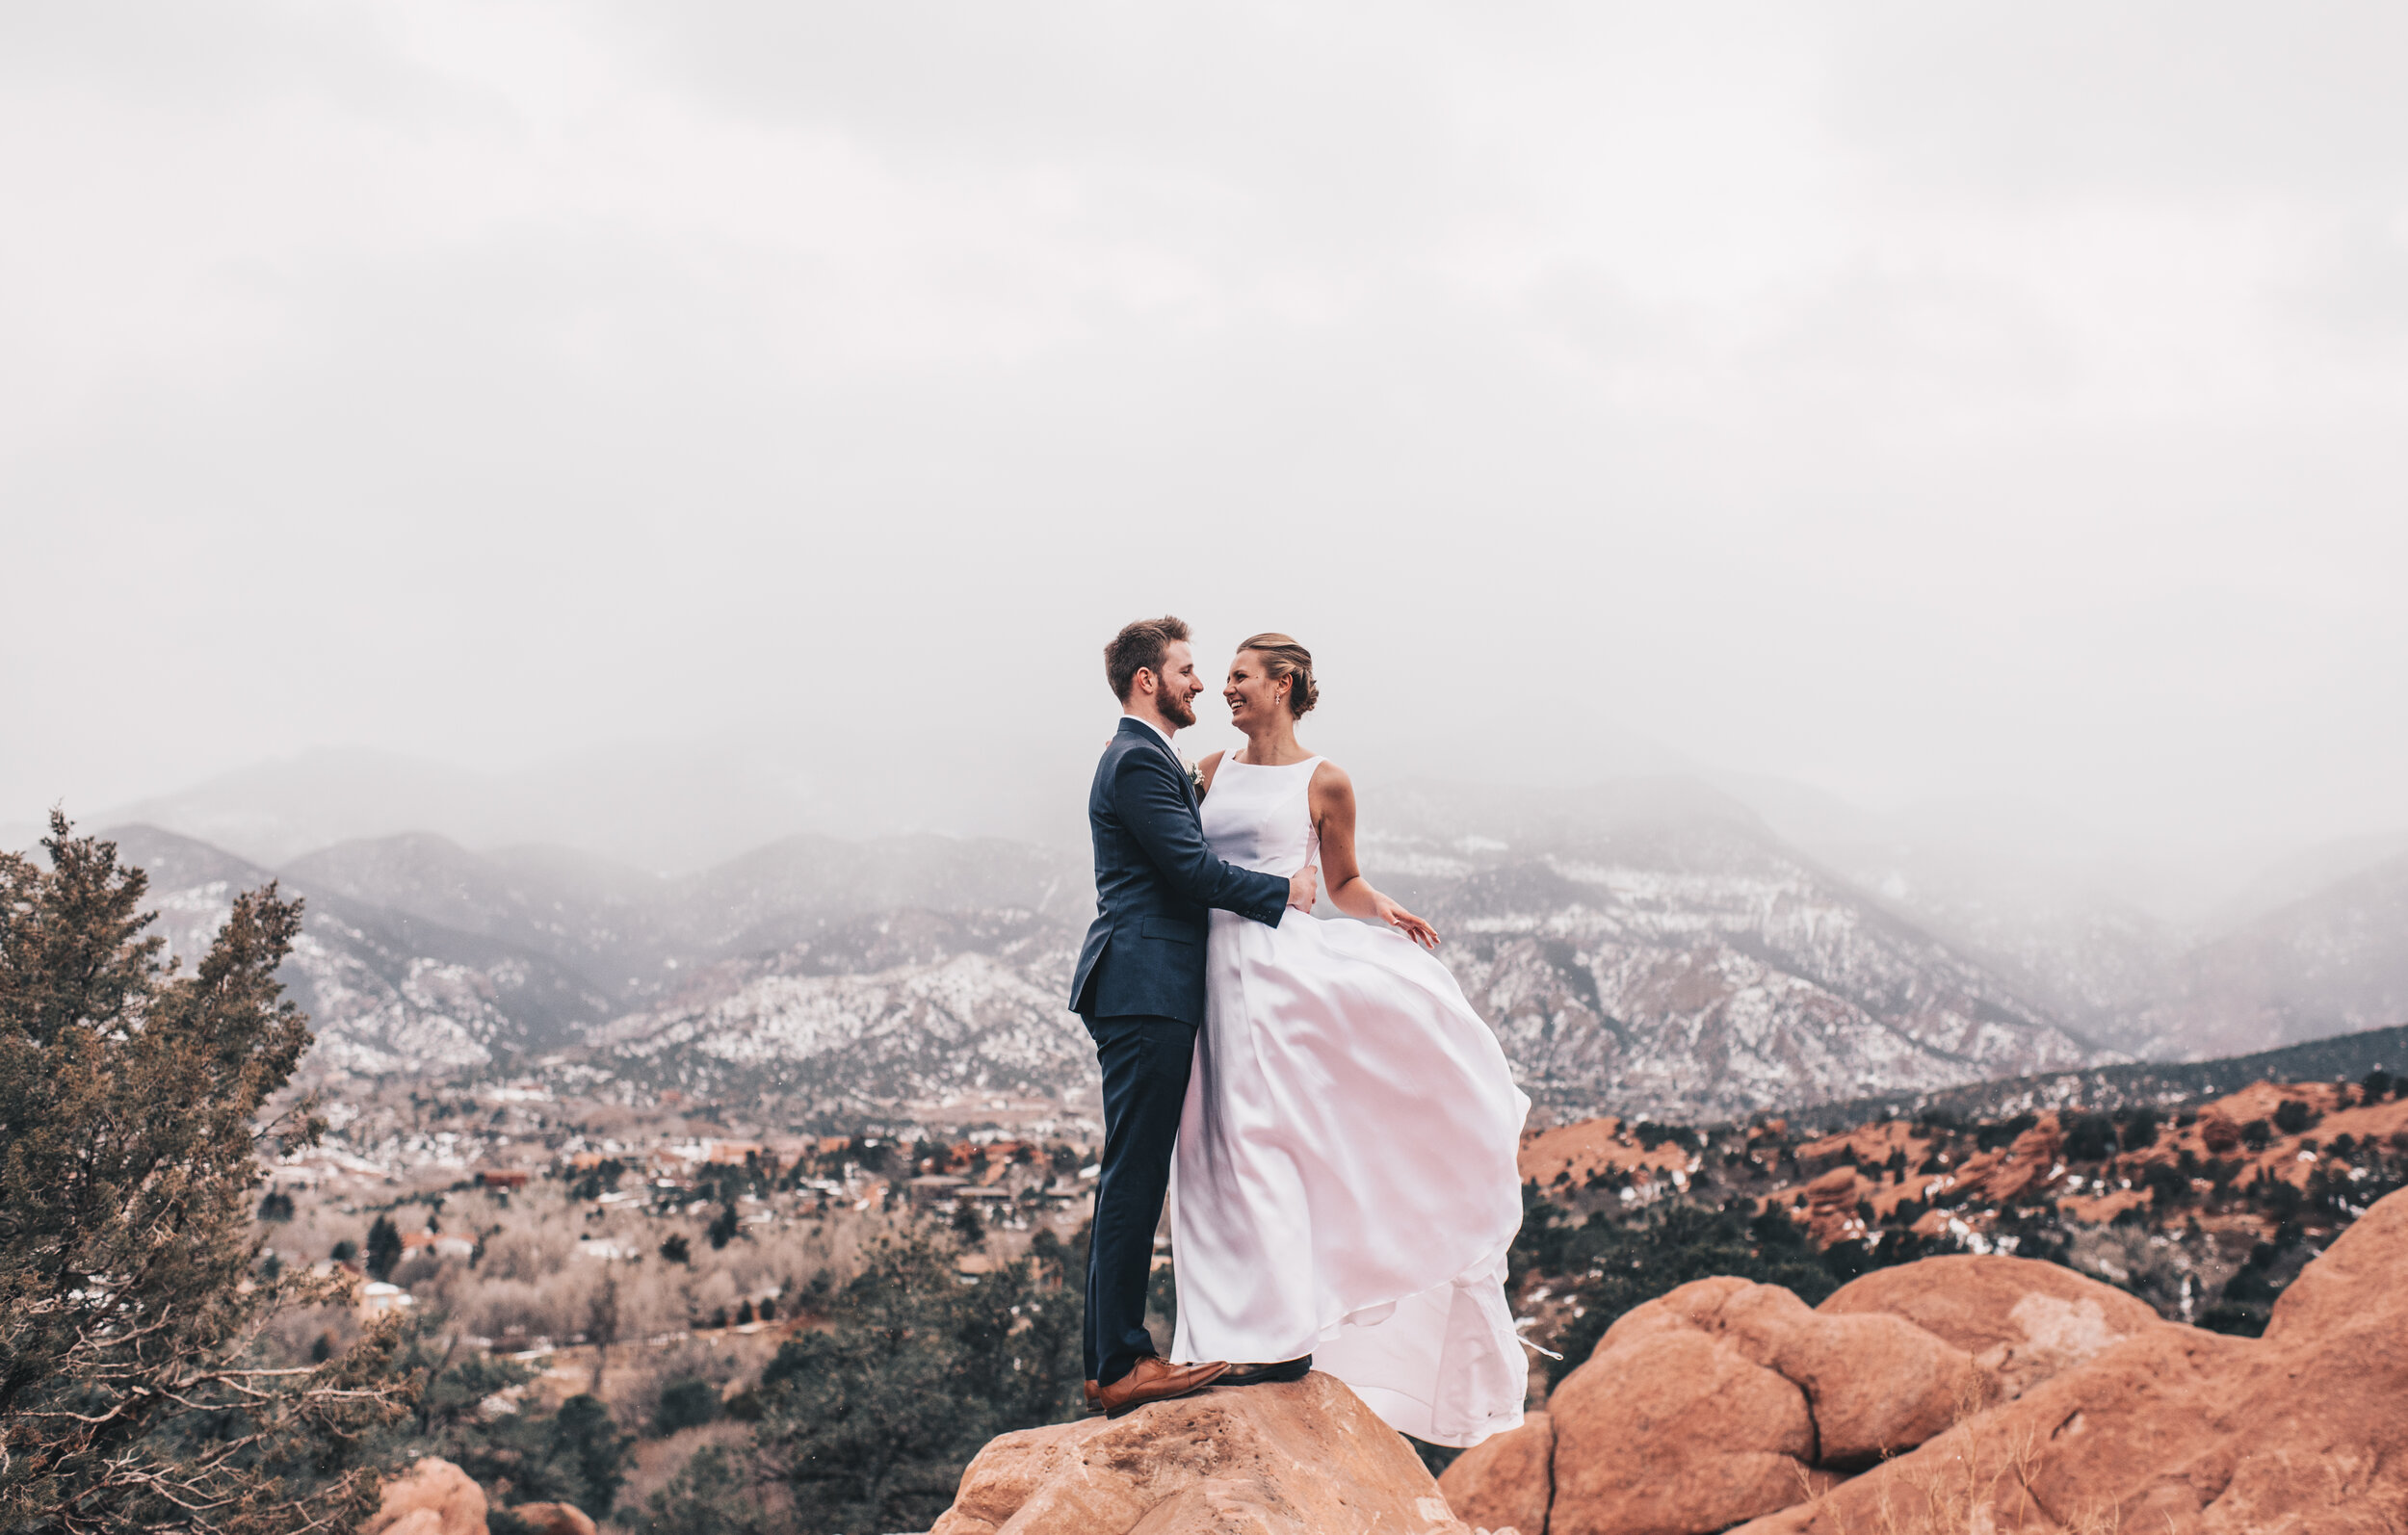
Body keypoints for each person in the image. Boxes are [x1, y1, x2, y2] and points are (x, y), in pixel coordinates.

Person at [1168, 633, 1531, 1448]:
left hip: (1279, 981)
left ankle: (1280, 1337)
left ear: (1284, 683)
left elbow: (1341, 884)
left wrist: (1385, 910)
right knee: (1209, 1154)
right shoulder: (1210, 774)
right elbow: (1186, 867)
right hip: (1206, 977)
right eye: (1222, 677)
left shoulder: (1326, 780)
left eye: (1239, 677)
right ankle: (1221, 1335)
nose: (1224, 690)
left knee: (1270, 1147)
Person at [1071, 615, 1321, 1418]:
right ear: (1148, 679)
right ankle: (1118, 1364)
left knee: (1135, 1170)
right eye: (1184, 669)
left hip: (1152, 985)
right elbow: (1187, 868)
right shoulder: (1139, 761)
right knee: (1135, 1173)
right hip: (1146, 985)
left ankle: (1117, 1358)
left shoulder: (1150, 760)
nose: (1199, 684)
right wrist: (1281, 892)